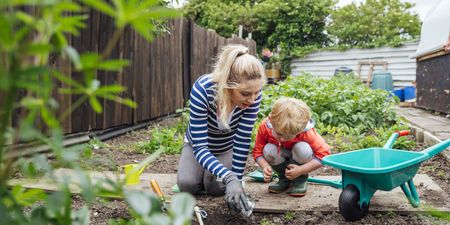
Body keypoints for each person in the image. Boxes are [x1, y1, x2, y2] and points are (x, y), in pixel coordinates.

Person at [177, 44, 266, 212]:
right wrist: (229, 176)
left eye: (256, 92)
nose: (253, 100)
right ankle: (201, 172)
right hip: (198, 146)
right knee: (187, 185)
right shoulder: (202, 90)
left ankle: (209, 176)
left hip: (226, 147)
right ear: (227, 85)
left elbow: (241, 141)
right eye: (245, 94)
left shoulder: (253, 95)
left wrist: (237, 181)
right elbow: (201, 147)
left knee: (216, 187)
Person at [252, 97, 331, 197]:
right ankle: (283, 179)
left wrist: (301, 170)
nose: (283, 139)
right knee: (268, 149)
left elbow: (324, 154)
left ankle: (300, 180)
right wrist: (265, 166)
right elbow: (257, 151)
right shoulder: (265, 127)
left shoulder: (306, 132)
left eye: (289, 136)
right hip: (280, 156)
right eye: (280, 134)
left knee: (303, 149)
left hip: (299, 159)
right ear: (271, 120)